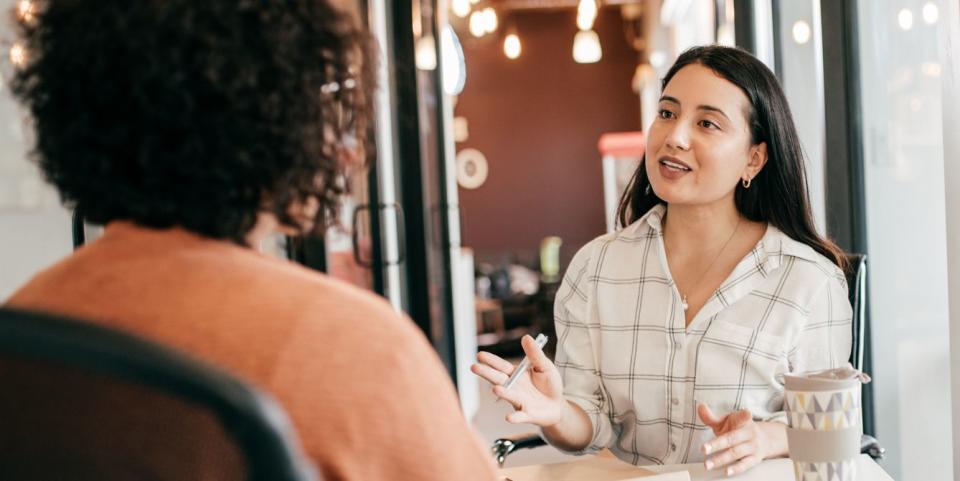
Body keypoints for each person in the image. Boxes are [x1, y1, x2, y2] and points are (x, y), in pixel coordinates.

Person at [3, 1, 497, 480]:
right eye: (324, 103)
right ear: (263, 118)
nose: (345, 151)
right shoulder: (356, 350)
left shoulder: (27, 326)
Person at [471, 45, 852, 476]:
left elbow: (830, 433)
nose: (675, 136)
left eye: (707, 123)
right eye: (667, 113)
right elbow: (590, 426)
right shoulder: (597, 268)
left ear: (754, 158)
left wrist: (766, 438)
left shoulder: (810, 280)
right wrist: (557, 412)